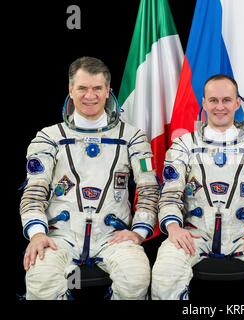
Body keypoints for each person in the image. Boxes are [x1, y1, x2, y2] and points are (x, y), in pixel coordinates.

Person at [19, 56, 159, 300]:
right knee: (40, 281)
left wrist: (138, 232)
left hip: (112, 236)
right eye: (82, 88)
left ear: (108, 91)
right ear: (71, 90)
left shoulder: (132, 137)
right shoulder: (49, 137)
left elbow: (148, 190)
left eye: (97, 88)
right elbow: (34, 192)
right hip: (60, 237)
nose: (89, 95)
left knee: (136, 278)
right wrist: (38, 234)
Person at [151, 74, 244, 300]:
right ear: (203, 103)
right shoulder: (183, 144)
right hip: (194, 233)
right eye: (213, 100)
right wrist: (174, 228)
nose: (220, 106)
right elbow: (170, 194)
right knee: (165, 275)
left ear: (237, 103)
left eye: (226, 100)